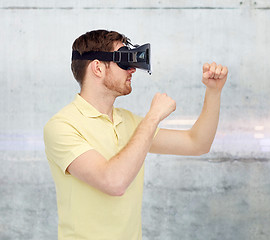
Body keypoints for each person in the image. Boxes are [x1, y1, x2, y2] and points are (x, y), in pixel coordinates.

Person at [43, 29, 228, 240]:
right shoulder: (62, 126)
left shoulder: (129, 122)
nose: (132, 69)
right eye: (124, 60)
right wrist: (153, 117)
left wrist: (214, 92)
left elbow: (197, 144)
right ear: (97, 68)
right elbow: (113, 182)